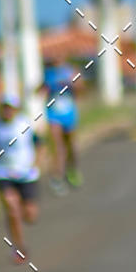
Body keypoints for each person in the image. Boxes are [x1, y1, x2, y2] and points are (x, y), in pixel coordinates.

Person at [0, 93, 41, 263]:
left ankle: (26, 216)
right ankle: (19, 247)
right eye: (4, 108)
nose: (7, 111)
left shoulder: (24, 124)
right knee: (12, 209)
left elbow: (39, 144)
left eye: (10, 108)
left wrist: (36, 163)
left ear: (15, 109)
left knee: (30, 215)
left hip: (26, 174)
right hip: (3, 173)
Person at [40, 54, 82, 194]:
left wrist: (74, 84)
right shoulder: (48, 74)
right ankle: (57, 177)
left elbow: (81, 89)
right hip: (53, 114)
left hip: (69, 114)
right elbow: (40, 90)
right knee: (58, 147)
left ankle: (72, 170)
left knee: (71, 146)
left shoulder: (71, 71)